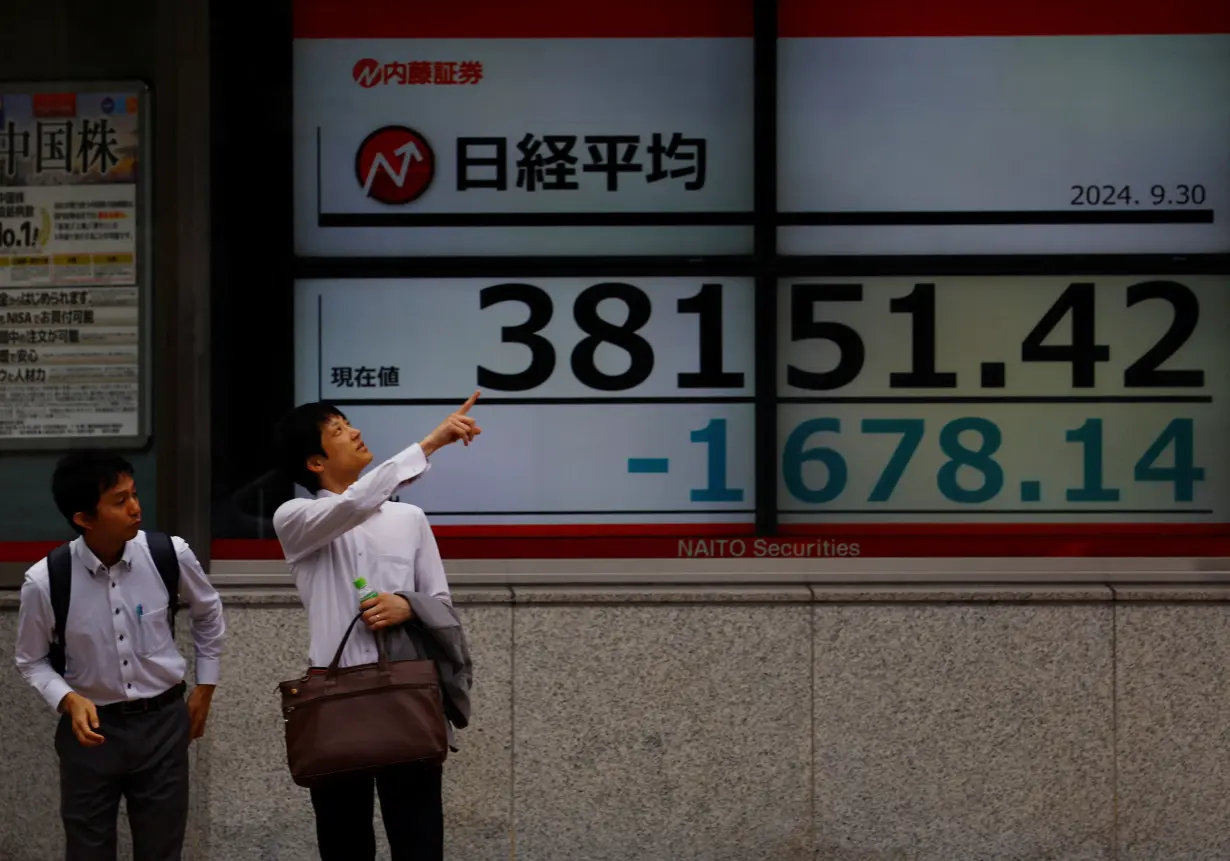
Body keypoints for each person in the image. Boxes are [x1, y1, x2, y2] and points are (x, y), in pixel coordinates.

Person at [271, 392, 481, 861]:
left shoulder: (410, 519)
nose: (356, 432)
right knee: (344, 844)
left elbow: (443, 605)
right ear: (314, 461)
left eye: (349, 423)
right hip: (334, 699)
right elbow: (354, 504)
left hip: (406, 692)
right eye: (339, 431)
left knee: (419, 840)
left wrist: (407, 606)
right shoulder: (296, 518)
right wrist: (427, 445)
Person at [13, 450, 226, 861]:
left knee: (162, 850)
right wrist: (67, 698)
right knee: (87, 850)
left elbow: (208, 611)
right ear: (84, 519)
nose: (135, 508)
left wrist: (206, 685)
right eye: (119, 500)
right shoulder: (45, 580)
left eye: (134, 494)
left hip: (163, 724)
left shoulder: (169, 554)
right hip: (90, 732)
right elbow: (31, 659)